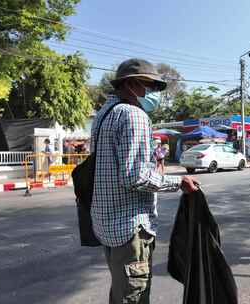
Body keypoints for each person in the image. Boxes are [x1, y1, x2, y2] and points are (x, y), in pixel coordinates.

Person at [90, 58, 198, 304]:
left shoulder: (104, 114)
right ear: (130, 84)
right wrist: (178, 183)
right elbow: (135, 176)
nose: (152, 93)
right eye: (148, 86)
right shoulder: (133, 115)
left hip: (107, 225)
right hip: (130, 227)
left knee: (121, 293)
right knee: (134, 296)